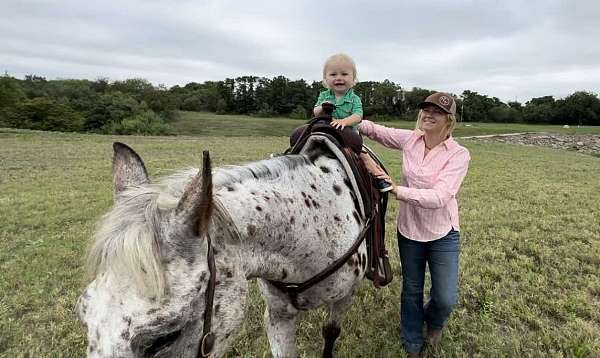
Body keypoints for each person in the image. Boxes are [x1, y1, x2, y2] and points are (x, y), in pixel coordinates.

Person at [359, 92, 470, 356]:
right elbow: (377, 132)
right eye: (426, 110)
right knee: (412, 288)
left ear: (449, 120)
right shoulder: (411, 139)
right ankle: (411, 339)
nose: (429, 115)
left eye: (437, 112)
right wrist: (346, 116)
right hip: (409, 229)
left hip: (443, 232)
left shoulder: (459, 154)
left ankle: (434, 322)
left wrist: (397, 190)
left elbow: (441, 196)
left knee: (445, 297)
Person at [292, 53, 392, 191]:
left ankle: (377, 175)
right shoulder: (324, 95)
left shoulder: (354, 98)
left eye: (344, 74)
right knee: (302, 137)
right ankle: (290, 157)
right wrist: (322, 107)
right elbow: (315, 111)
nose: (339, 78)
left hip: (347, 132)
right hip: (324, 127)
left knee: (360, 152)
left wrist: (344, 121)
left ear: (353, 78)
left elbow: (358, 115)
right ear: (326, 79)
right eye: (333, 75)